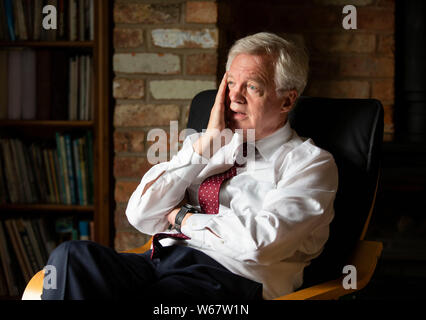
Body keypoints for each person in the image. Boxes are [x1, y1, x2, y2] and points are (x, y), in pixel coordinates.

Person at [42, 32, 338, 301]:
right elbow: (140, 214)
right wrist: (206, 144)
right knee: (72, 258)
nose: (234, 97)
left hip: (229, 281)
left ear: (287, 101)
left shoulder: (310, 163)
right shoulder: (207, 144)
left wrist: (182, 218)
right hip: (160, 261)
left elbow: (259, 244)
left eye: (251, 86)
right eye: (231, 83)